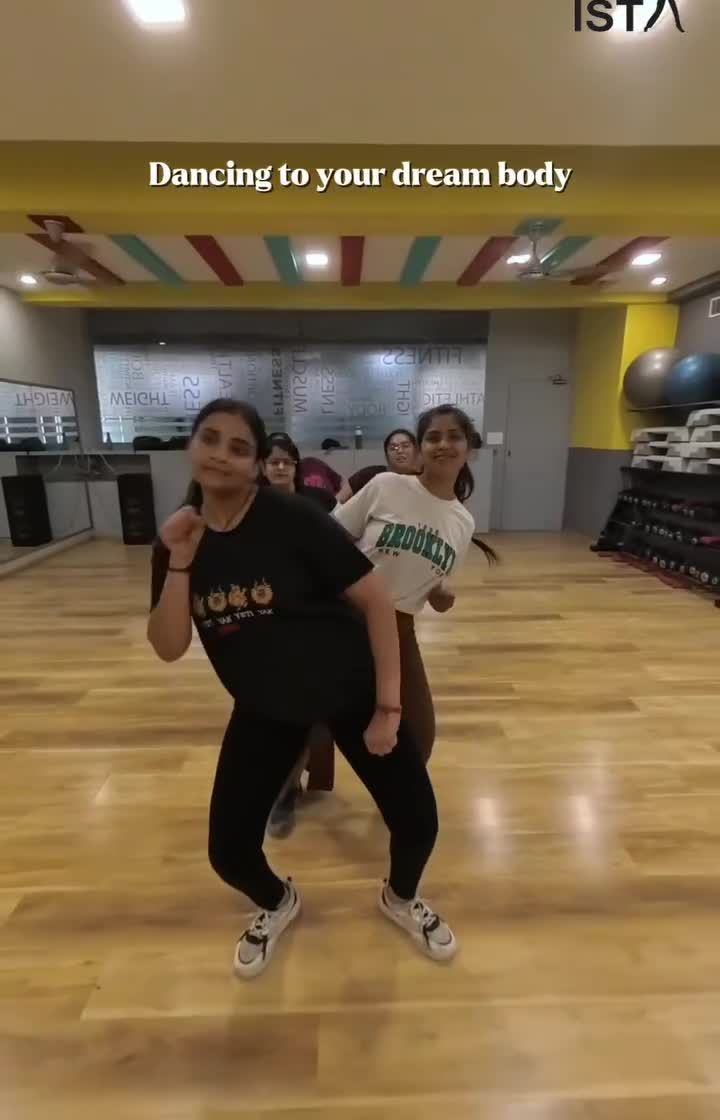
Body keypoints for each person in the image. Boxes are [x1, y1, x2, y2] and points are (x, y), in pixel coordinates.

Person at [147, 398, 455, 978]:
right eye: (209, 439)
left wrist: (388, 708)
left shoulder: (290, 518)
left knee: (419, 822)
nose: (221, 455)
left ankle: (401, 898)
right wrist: (180, 562)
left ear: (257, 464)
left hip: (351, 689)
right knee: (228, 852)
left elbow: (376, 599)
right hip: (265, 707)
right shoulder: (178, 537)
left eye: (239, 447)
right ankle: (278, 901)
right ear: (191, 447)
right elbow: (168, 645)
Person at [334, 405, 498, 764]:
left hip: (399, 628)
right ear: (421, 447)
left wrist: (442, 596)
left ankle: (400, 792)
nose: (443, 444)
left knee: (419, 732)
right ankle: (294, 785)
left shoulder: (463, 522)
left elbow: (437, 589)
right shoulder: (386, 486)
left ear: (469, 449)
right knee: (310, 713)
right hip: (345, 616)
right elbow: (334, 539)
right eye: (433, 437)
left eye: (454, 437)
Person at [262, 432, 337, 835]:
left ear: (296, 466)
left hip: (314, 623)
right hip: (267, 626)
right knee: (273, 717)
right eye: (272, 461)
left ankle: (291, 787)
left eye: (285, 461)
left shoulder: (317, 506)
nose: (279, 467)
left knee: (311, 716)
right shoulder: (250, 509)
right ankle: (281, 786)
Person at [344, 428, 420, 499]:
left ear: (416, 451)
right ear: (387, 456)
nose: (400, 451)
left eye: (405, 446)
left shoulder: (423, 480)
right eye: (393, 448)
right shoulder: (369, 475)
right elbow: (340, 501)